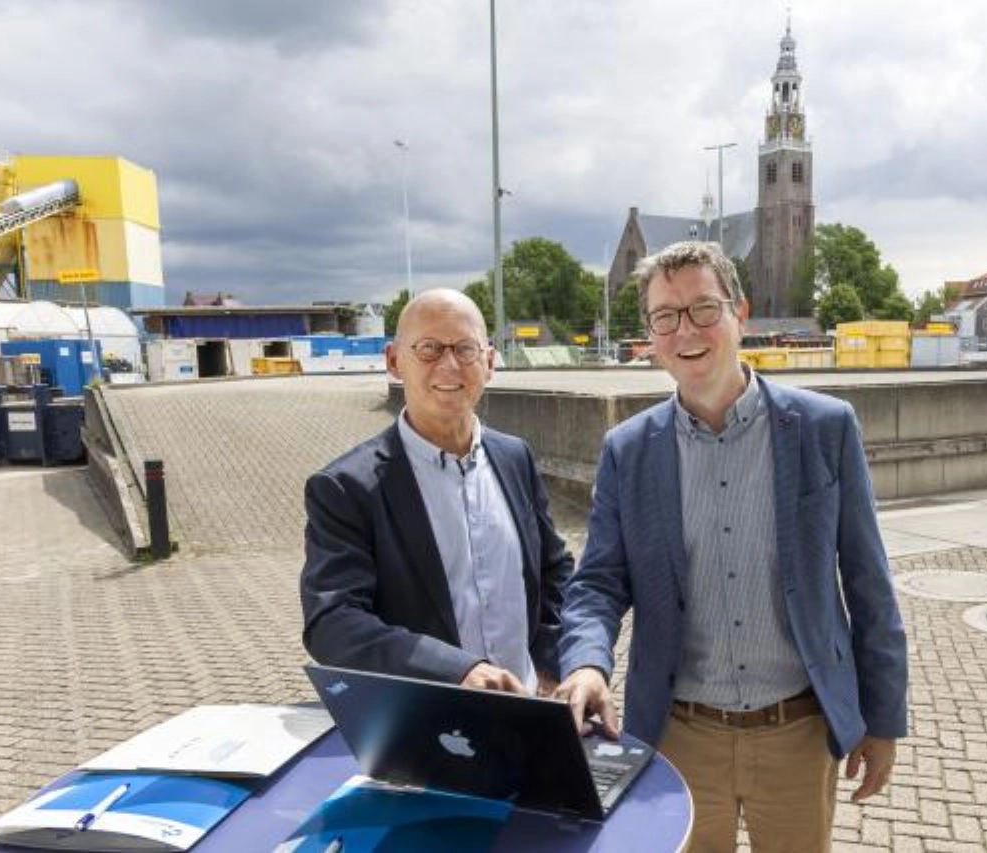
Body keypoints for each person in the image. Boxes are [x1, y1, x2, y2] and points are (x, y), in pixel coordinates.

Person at [556, 241, 908, 851]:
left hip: (798, 731)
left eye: (702, 308)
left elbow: (868, 582)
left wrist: (883, 719)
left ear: (740, 311)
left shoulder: (826, 428)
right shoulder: (628, 449)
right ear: (650, 332)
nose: (684, 330)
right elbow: (598, 583)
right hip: (677, 735)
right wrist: (586, 663)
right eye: (665, 315)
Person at [301, 288, 572, 695]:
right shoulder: (346, 488)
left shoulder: (515, 458)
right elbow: (333, 622)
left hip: (531, 713)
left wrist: (553, 658)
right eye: (428, 349)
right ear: (394, 361)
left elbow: (554, 572)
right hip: (427, 726)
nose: (449, 365)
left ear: (490, 362)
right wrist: (457, 670)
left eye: (466, 349)